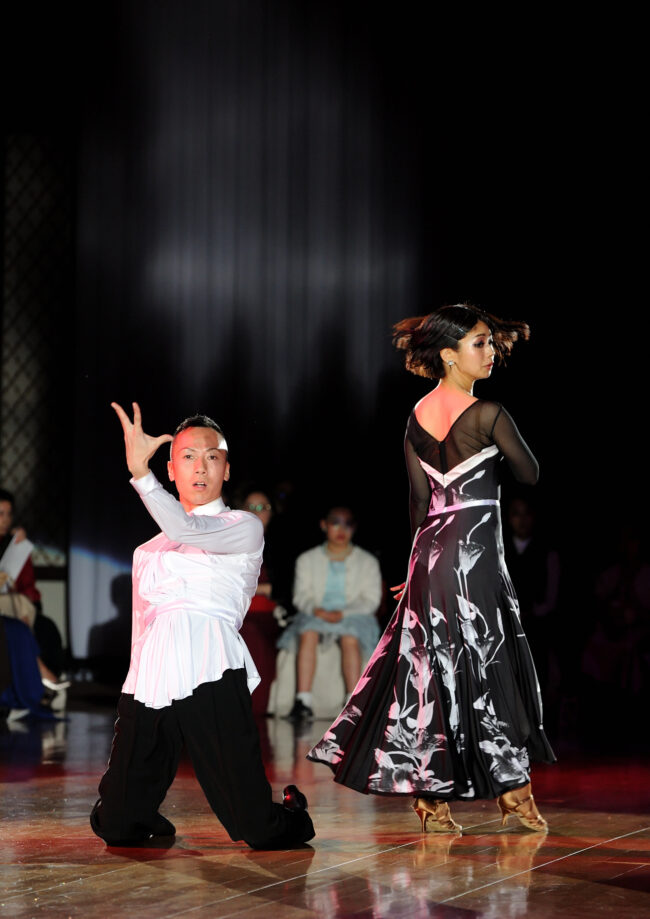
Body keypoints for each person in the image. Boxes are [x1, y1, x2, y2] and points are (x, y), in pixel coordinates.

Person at [308, 304, 555, 833]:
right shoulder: (488, 414)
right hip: (474, 556)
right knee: (486, 663)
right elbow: (530, 474)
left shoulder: (416, 416)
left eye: (490, 342)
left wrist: (414, 563)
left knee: (427, 672)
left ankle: (430, 798)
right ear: (449, 354)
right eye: (479, 343)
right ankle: (515, 792)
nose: (490, 352)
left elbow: (419, 501)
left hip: (429, 557)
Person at [90, 403, 314, 849]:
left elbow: (186, 529)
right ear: (172, 470)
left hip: (210, 665)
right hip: (153, 676)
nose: (200, 467)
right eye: (188, 457)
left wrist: (141, 475)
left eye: (212, 457)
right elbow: (142, 624)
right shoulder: (147, 551)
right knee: (115, 827)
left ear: (226, 469)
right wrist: (133, 687)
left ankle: (293, 813)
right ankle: (142, 813)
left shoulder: (243, 526)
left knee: (257, 829)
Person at [279, 505, 382, 722]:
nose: (341, 529)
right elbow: (301, 595)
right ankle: (303, 701)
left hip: (353, 616)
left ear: (354, 528)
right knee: (308, 632)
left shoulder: (367, 561)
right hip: (317, 613)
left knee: (349, 636)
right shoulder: (307, 559)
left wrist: (344, 613)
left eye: (347, 524)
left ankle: (352, 702)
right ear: (324, 525)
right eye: (335, 523)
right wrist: (315, 609)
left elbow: (371, 600)